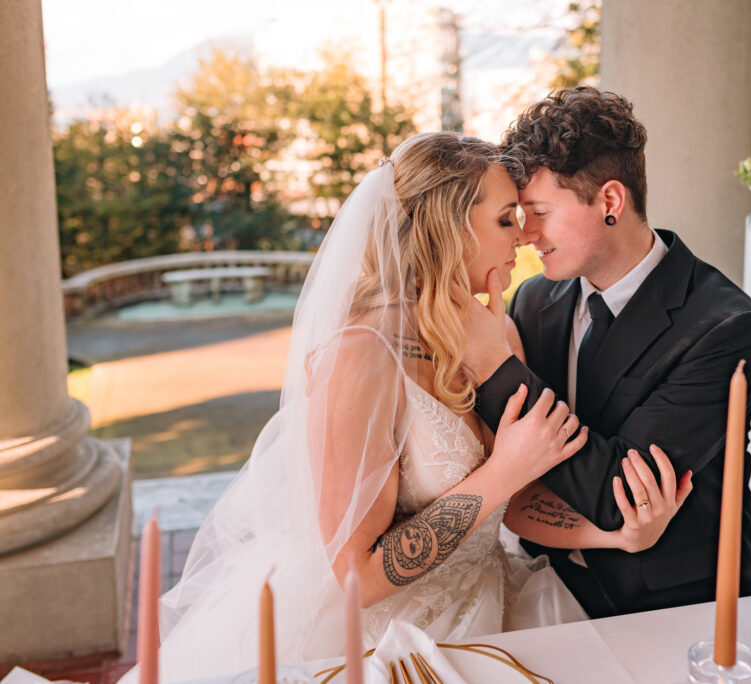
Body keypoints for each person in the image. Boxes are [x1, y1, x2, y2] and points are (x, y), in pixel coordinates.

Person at [122, 132, 691, 682]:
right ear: (447, 229)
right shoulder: (360, 356)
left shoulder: (500, 335)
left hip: (494, 606)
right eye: (503, 220)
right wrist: (502, 471)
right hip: (383, 640)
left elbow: (516, 507)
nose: (520, 239)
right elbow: (357, 575)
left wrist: (616, 536)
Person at [464, 87, 751, 619]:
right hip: (543, 586)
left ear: (610, 201)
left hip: (683, 606)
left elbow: (619, 496)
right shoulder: (534, 298)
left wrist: (490, 365)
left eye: (539, 212)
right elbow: (517, 476)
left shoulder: (731, 329)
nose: (526, 236)